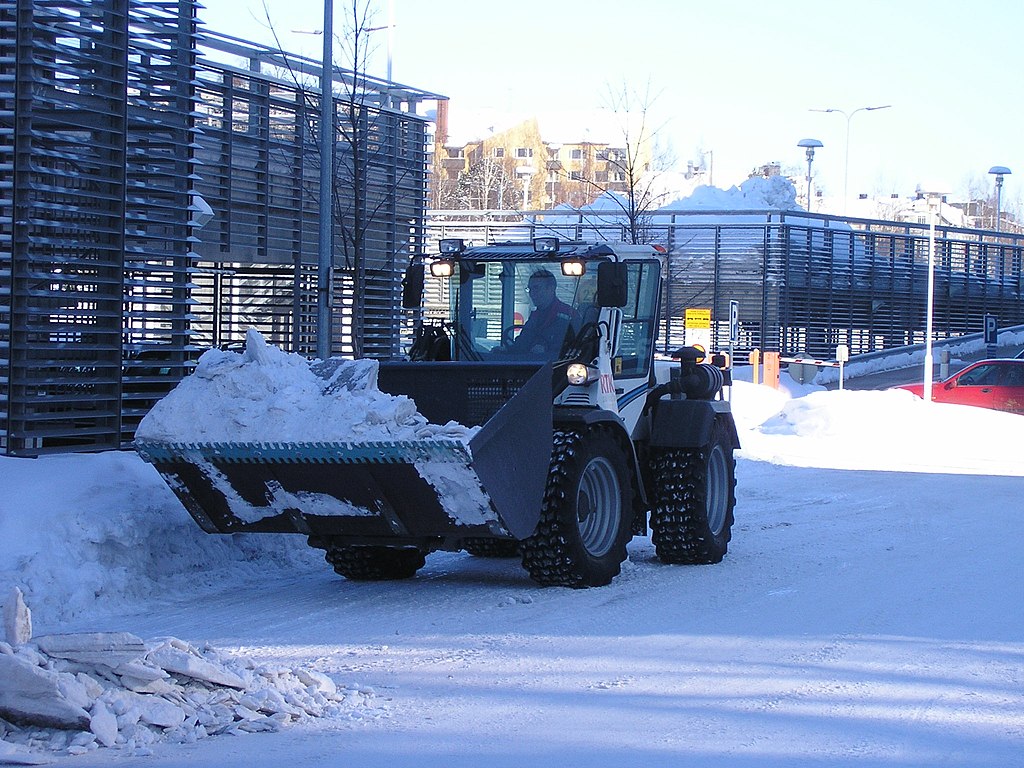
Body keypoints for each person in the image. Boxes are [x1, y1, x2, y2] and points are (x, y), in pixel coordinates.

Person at [505, 269, 579, 359]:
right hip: (528, 365)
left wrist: (546, 350)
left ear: (551, 289)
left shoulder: (568, 315)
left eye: (536, 288)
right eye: (530, 289)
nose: (532, 294)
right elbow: (522, 342)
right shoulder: (535, 316)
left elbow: (573, 349)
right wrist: (507, 350)